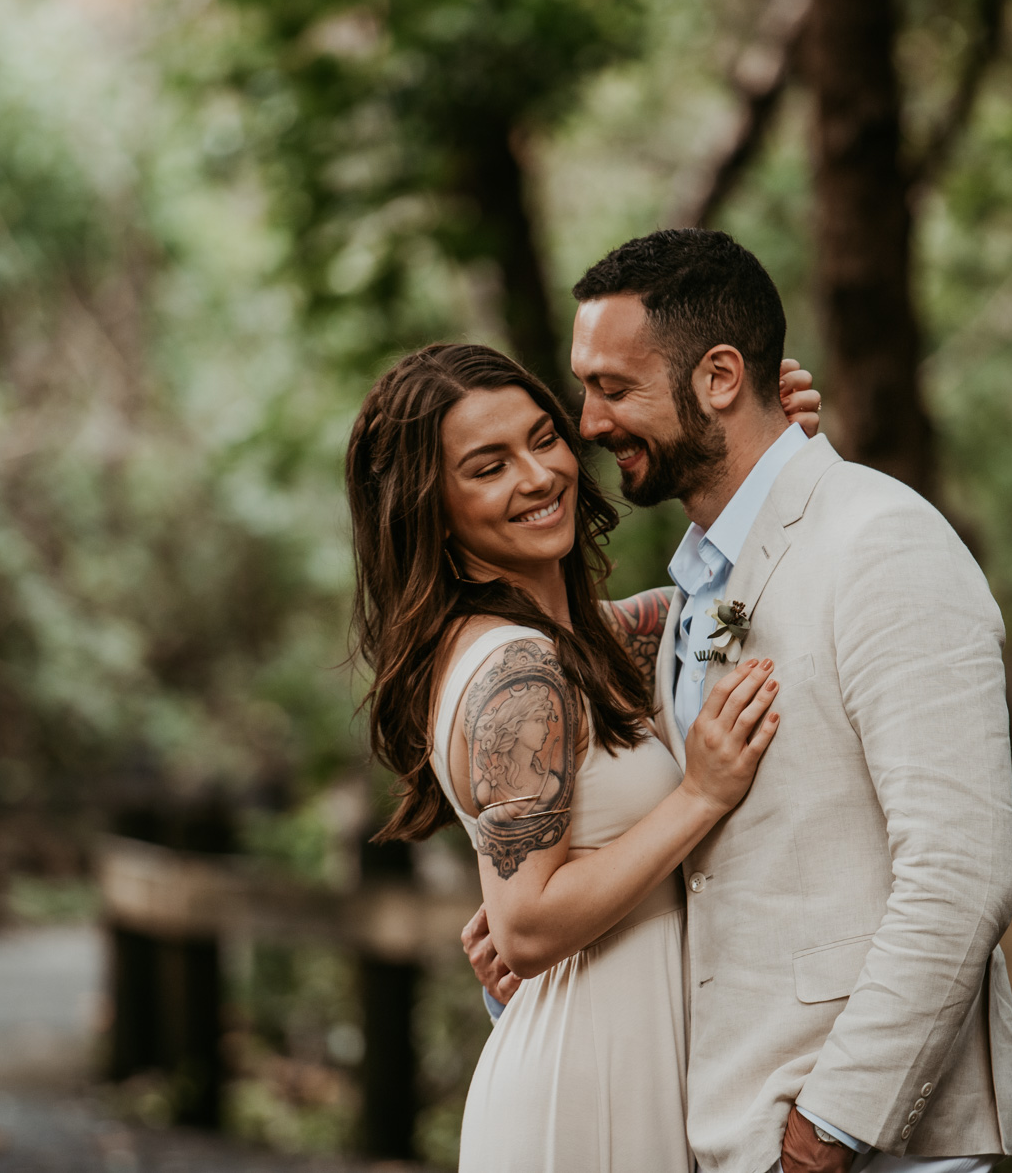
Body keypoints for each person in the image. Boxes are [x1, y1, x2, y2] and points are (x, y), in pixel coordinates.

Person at [466, 228, 1012, 1173]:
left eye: (613, 388)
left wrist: (828, 1136)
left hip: (863, 1149)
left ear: (721, 377)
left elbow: (961, 876)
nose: (588, 422)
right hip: (723, 1131)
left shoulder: (884, 544)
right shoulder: (700, 586)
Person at [345, 339, 822, 1172]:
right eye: (488, 467)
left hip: (636, 1063)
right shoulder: (516, 669)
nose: (536, 477)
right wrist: (698, 797)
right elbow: (524, 928)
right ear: (433, 508)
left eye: (541, 438)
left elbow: (725, 606)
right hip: (586, 1087)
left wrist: (773, 454)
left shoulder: (586, 640)